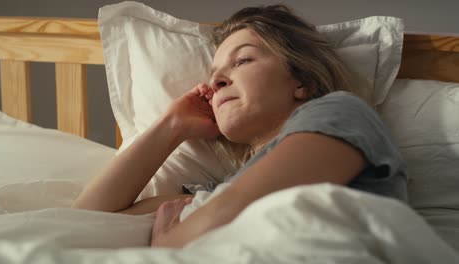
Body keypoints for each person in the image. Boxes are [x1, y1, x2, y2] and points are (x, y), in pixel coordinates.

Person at [71, 5, 407, 248]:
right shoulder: (214, 196)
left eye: (242, 60)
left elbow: (237, 211)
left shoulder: (342, 112)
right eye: (214, 71)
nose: (215, 79)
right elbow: (88, 216)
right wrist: (171, 125)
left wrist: (170, 247)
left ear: (301, 81)